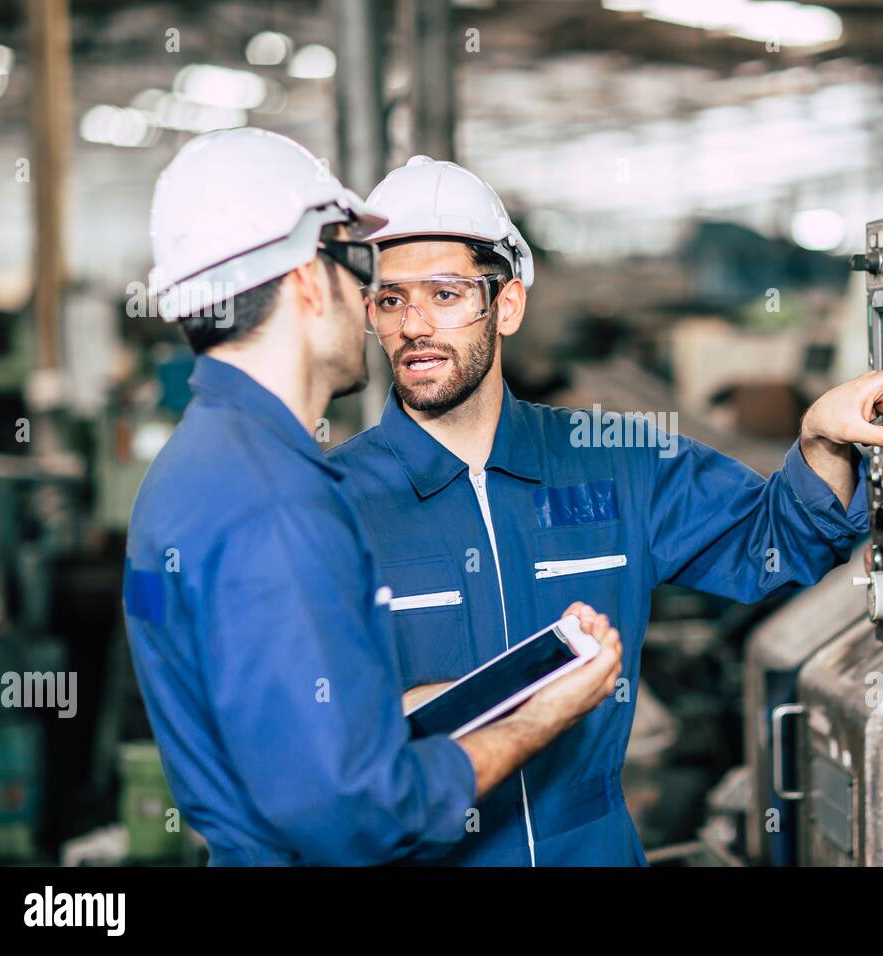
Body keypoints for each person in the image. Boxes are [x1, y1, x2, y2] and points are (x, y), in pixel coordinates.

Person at [327, 155, 883, 865]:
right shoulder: (331, 502)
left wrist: (820, 441)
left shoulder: (613, 459)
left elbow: (782, 540)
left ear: (509, 304)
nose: (415, 325)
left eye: (447, 293)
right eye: (392, 300)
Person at [122, 130, 621, 866]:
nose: (374, 303)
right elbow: (353, 814)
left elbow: (279, 727)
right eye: (355, 267)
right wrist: (540, 717)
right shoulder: (278, 505)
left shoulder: (191, 473)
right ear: (303, 281)